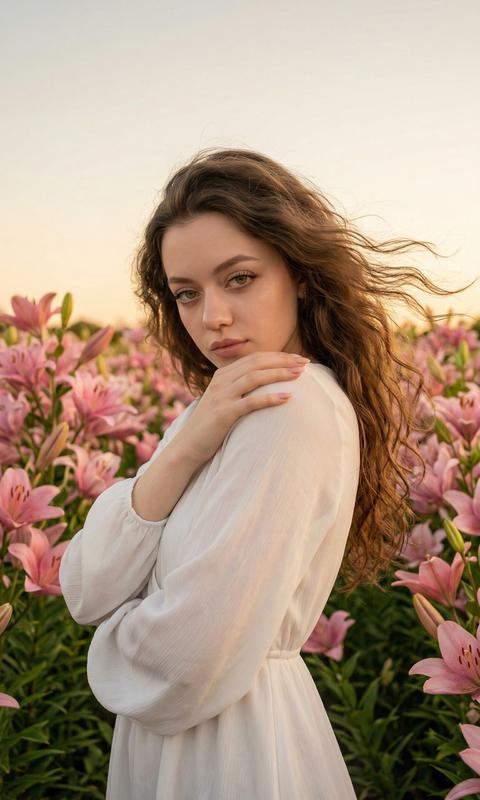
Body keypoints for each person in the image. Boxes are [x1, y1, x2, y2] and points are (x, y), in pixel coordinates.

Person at [59, 147, 475, 799]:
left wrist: (117, 631)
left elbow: (189, 659)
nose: (212, 317)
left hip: (233, 750)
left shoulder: (290, 403)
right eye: (187, 293)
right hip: (192, 737)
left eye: (240, 279)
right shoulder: (216, 411)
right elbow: (84, 587)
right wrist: (186, 445)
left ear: (301, 275)